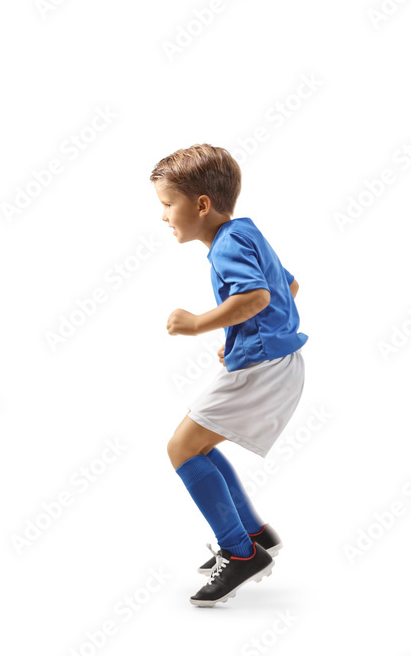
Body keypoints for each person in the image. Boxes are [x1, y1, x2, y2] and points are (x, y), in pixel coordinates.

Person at [151, 144, 307, 607]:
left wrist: (197, 323)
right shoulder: (245, 232)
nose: (163, 217)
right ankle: (257, 534)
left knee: (181, 448)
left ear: (202, 205)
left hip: (264, 367)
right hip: (275, 361)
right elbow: (289, 286)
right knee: (196, 444)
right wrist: (243, 332)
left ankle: (241, 554)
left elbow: (258, 296)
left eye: (167, 204)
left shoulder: (225, 247)